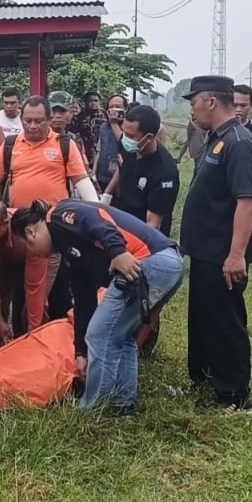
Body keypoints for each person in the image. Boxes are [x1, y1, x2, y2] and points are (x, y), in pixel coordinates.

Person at [11, 198, 183, 415]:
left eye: (28, 247)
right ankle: (122, 406)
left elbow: (94, 218)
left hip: (151, 260)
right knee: (124, 336)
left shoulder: (59, 215)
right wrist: (80, 352)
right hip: (167, 263)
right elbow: (84, 304)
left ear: (31, 232)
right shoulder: (69, 250)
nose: (34, 254)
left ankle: (93, 411)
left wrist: (118, 252)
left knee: (100, 334)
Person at [0, 96, 98, 361]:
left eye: (38, 121)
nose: (32, 126)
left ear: (49, 119)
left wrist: (98, 215)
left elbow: (82, 181)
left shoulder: (64, 145)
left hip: (46, 236)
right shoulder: (11, 145)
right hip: (12, 230)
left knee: (35, 301)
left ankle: (36, 358)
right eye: (27, 121)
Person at [178, 75, 252, 413]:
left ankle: (234, 395)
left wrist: (236, 255)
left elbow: (246, 200)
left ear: (210, 101)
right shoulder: (216, 138)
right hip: (204, 250)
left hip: (223, 254)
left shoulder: (239, 142)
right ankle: (205, 379)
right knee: (203, 318)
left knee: (225, 321)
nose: (193, 109)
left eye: (194, 101)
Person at [101, 104, 180, 355]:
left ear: (149, 137)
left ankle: (140, 344)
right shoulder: (127, 144)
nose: (126, 139)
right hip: (120, 224)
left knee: (142, 292)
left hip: (145, 239)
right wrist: (106, 197)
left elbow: (152, 225)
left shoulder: (164, 172)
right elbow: (122, 171)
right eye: (124, 132)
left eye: (132, 136)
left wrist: (131, 259)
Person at [0, 198, 47, 350]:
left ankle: (36, 351)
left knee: (37, 310)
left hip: (40, 253)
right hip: (6, 256)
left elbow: (35, 288)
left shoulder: (30, 234)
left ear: (6, 223)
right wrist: (0, 323)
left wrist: (34, 330)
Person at [232, 84, 252, 260]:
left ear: (251, 106)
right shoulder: (219, 128)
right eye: (234, 104)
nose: (238, 109)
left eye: (243, 105)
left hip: (248, 184)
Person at [96, 93, 128, 189]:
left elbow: (123, 142)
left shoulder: (129, 126)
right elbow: (99, 150)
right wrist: (94, 173)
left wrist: (114, 123)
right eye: (111, 107)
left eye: (118, 107)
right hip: (103, 176)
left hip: (121, 178)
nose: (114, 109)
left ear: (125, 109)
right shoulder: (103, 127)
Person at [72, 92, 105, 173]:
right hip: (85, 153)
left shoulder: (105, 115)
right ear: (86, 102)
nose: (93, 103)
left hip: (102, 152)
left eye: (96, 101)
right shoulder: (79, 117)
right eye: (90, 100)